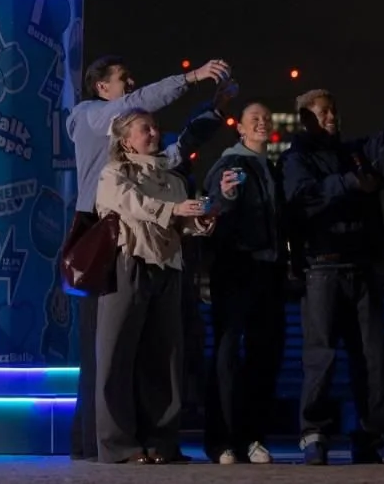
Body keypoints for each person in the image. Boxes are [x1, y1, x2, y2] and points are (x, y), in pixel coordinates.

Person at [64, 54, 230, 461]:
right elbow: (124, 190)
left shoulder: (157, 167)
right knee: (105, 349)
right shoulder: (90, 115)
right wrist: (190, 78)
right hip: (104, 233)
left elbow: (174, 155)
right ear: (101, 86)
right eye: (124, 79)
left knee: (159, 352)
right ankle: (101, 443)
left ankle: (154, 441)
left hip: (159, 248)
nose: (133, 85)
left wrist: (213, 110)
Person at [281, 73, 384, 465]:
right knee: (320, 356)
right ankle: (313, 432)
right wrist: (351, 183)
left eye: (333, 110)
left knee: (372, 358)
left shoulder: (353, 152)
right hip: (321, 268)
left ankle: (372, 437)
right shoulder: (296, 159)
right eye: (323, 111)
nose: (332, 116)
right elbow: (302, 199)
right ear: (306, 117)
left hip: (361, 267)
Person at [93, 108, 215, 464]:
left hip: (169, 268)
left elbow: (181, 224)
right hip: (129, 263)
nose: (154, 132)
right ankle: (118, 446)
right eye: (144, 128)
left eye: (155, 127)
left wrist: (202, 222)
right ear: (126, 141)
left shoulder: (173, 179)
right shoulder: (114, 173)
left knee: (165, 359)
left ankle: (162, 442)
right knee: (116, 357)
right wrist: (175, 211)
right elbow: (132, 204)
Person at [202, 102, 293, 464]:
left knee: (264, 355)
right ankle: (222, 440)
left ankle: (253, 437)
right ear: (239, 127)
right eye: (253, 118)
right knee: (227, 354)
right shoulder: (230, 164)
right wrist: (225, 196)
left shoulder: (272, 167)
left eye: (266, 118)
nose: (261, 122)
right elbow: (214, 206)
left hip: (268, 273)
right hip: (236, 268)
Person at [168, 79, 241, 431]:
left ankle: (184, 412)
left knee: (188, 339)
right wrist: (216, 108)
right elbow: (189, 138)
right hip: (161, 265)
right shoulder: (160, 163)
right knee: (172, 343)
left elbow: (195, 219)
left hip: (184, 265)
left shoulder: (183, 173)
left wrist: (213, 209)